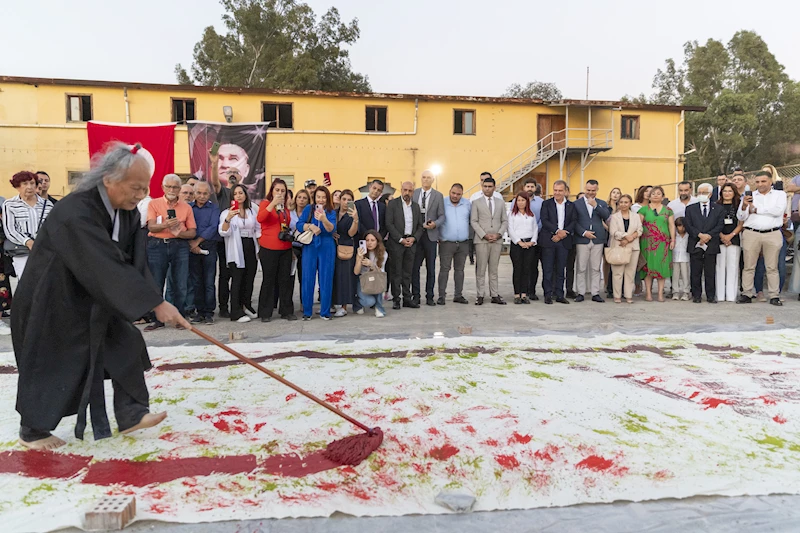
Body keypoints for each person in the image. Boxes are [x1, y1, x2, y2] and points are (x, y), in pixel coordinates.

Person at [13, 142, 189, 450]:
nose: (140, 195)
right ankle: (33, 430)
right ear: (109, 179)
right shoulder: (75, 211)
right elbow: (102, 262)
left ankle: (131, 414)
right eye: (135, 187)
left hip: (95, 295)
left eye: (144, 188)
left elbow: (132, 263)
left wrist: (151, 299)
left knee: (126, 342)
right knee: (51, 360)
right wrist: (155, 303)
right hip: (53, 299)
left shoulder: (129, 213)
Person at [144, 174, 197, 331]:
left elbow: (192, 233)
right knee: (156, 283)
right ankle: (157, 319)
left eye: (175, 187)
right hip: (157, 245)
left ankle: (179, 318)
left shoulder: (186, 208)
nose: (172, 190)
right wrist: (166, 225)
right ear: (163, 187)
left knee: (180, 284)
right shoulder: (154, 204)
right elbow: (151, 227)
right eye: (169, 186)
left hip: (179, 245)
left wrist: (178, 232)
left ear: (180, 189)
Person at [737, 171, 786, 306]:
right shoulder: (749, 196)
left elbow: (778, 211)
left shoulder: (779, 195)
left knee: (772, 267)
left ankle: (774, 295)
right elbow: (741, 217)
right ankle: (747, 293)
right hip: (752, 233)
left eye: (763, 181)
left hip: (773, 233)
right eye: (757, 182)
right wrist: (745, 206)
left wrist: (756, 209)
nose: (760, 184)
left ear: (770, 181)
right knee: (748, 266)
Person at [219, 184, 260, 322]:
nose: (238, 196)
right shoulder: (226, 213)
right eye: (235, 194)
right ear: (232, 197)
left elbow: (257, 229)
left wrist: (259, 249)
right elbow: (223, 231)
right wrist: (228, 218)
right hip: (236, 247)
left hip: (250, 245)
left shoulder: (252, 211)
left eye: (241, 193)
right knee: (237, 279)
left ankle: (246, 305)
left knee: (249, 277)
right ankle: (235, 311)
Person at [2, 171, 54, 279]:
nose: (29, 187)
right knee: (26, 282)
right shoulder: (10, 204)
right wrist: (28, 242)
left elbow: (51, 228)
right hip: (22, 251)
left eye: (32, 183)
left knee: (44, 283)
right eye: (25, 184)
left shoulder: (47, 205)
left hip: (43, 251)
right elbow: (10, 230)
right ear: (17, 186)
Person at [257, 179, 296, 322]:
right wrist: (273, 204)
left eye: (283, 191)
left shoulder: (285, 208)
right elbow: (261, 218)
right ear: (272, 191)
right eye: (277, 190)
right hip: (269, 248)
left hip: (285, 248)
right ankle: (265, 312)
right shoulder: (266, 204)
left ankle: (286, 310)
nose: (280, 193)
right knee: (268, 280)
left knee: (285, 280)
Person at [300, 186, 337, 320]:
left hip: (326, 246)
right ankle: (307, 311)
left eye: (323, 197)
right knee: (307, 278)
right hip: (310, 245)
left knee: (326, 278)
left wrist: (323, 219)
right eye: (318, 197)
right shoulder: (308, 209)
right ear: (314, 197)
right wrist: (310, 226)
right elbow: (299, 224)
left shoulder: (330, 211)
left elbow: (332, 229)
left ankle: (325, 311)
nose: (320, 200)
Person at [684, 183, 724, 303]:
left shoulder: (718, 208)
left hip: (711, 243)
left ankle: (711, 295)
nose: (701, 195)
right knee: (695, 271)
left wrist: (708, 236)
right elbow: (688, 225)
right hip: (695, 242)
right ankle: (696, 295)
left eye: (704, 193)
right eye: (699, 193)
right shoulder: (690, 208)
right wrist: (699, 235)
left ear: (710, 194)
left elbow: (720, 225)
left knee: (710, 271)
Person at [471, 176, 508, 305]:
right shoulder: (476, 202)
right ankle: (480, 295)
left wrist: (498, 234)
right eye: (485, 186)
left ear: (494, 187)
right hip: (482, 240)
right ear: (482, 187)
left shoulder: (500, 202)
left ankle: (494, 294)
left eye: (490, 186)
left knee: (494, 269)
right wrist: (484, 235)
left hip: (496, 241)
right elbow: (474, 221)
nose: (487, 189)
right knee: (480, 269)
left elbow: (504, 220)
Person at [386, 181, 423, 310]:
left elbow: (420, 226)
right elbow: (389, 224)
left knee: (408, 272)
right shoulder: (393, 204)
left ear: (413, 192)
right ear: (401, 190)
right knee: (396, 272)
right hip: (397, 243)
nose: (407, 193)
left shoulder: (416, 207)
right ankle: (396, 299)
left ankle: (407, 298)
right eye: (405, 190)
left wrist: (414, 238)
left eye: (410, 191)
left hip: (411, 243)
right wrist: (400, 239)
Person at [188, 182, 220, 325]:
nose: (202, 196)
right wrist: (192, 243)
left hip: (209, 246)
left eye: (205, 193)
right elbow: (184, 224)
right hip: (191, 246)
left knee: (208, 281)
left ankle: (209, 312)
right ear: (194, 193)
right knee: (196, 281)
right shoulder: (188, 207)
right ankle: (199, 311)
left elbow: (213, 226)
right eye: (199, 193)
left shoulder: (214, 208)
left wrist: (197, 242)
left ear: (209, 194)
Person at [574, 179, 611, 303]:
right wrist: (584, 232)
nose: (590, 193)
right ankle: (580, 292)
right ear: (585, 189)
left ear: (597, 190)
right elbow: (574, 222)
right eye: (588, 190)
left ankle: (595, 292)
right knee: (581, 267)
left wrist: (595, 206)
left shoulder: (601, 203)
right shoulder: (576, 204)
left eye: (593, 191)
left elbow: (606, 216)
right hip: (582, 239)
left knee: (596, 267)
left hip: (597, 239)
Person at [412, 170, 445, 306]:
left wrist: (435, 224)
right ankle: (416, 296)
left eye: (428, 178)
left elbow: (442, 215)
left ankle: (430, 296)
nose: (426, 180)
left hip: (431, 235)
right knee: (415, 268)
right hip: (417, 235)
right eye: (423, 177)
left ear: (433, 180)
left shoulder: (438, 196)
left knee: (431, 268)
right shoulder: (414, 194)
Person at [540, 180, 576, 304]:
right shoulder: (546, 204)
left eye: (560, 190)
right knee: (548, 269)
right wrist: (556, 231)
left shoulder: (571, 206)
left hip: (564, 241)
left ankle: (560, 294)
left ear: (565, 191)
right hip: (549, 240)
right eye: (555, 190)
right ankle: (548, 294)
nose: (557, 193)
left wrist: (562, 233)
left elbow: (573, 222)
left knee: (561, 269)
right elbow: (544, 220)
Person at [208, 148, 233, 318]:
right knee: (221, 275)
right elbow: (215, 182)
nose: (233, 175)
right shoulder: (223, 191)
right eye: (230, 172)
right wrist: (214, 163)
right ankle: (222, 307)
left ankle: (237, 304)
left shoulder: (243, 195)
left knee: (232, 273)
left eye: (236, 173)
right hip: (219, 239)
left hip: (236, 240)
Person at [638, 186, 675, 302]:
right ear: (649, 196)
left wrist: (673, 239)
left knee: (661, 267)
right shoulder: (643, 210)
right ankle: (648, 292)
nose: (655, 195)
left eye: (658, 193)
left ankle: (660, 293)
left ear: (663, 196)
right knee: (648, 267)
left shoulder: (668, 210)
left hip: (663, 243)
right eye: (653, 193)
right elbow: (638, 226)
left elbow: (671, 225)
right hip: (647, 243)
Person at [437, 183, 471, 305]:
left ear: (462, 194)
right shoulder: (442, 202)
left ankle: (458, 295)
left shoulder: (467, 204)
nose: (455, 196)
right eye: (453, 193)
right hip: (446, 243)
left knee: (460, 270)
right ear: (449, 191)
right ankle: (441, 296)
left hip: (463, 243)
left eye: (458, 194)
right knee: (444, 269)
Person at [607, 194, 643, 303]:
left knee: (630, 272)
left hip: (633, 247)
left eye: (626, 202)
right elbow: (613, 232)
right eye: (621, 202)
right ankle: (617, 295)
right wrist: (625, 236)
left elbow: (640, 230)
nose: (623, 204)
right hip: (619, 246)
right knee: (617, 273)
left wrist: (630, 238)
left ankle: (628, 295)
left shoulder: (636, 216)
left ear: (630, 203)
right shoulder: (614, 217)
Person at [507, 193, 538, 304]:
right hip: (517, 245)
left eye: (523, 200)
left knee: (527, 270)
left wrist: (532, 241)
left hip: (529, 244)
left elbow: (535, 228)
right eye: (518, 200)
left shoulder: (531, 215)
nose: (520, 202)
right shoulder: (512, 214)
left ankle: (524, 294)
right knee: (518, 269)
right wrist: (519, 242)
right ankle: (517, 294)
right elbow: (510, 230)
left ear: (527, 202)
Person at [715, 183, 743, 302]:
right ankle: (720, 295)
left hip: (734, 239)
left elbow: (741, 223)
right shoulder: (716, 206)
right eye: (725, 191)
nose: (727, 193)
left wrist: (730, 236)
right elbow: (714, 223)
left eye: (730, 191)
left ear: (734, 193)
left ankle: (731, 295)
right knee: (720, 267)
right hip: (719, 238)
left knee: (733, 267)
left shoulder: (739, 206)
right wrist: (722, 236)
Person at [333, 190, 359, 317]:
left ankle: (343, 306)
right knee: (334, 275)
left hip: (346, 247)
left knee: (344, 277)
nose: (346, 202)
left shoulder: (351, 215)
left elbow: (351, 233)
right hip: (333, 246)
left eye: (349, 200)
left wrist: (355, 220)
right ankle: (334, 303)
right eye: (344, 199)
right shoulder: (334, 212)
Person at [354, 229, 388, 318]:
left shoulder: (383, 253)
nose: (369, 243)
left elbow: (381, 273)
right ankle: (357, 303)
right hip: (363, 280)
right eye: (367, 240)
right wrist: (358, 258)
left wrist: (372, 265)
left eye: (372, 240)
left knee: (379, 282)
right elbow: (356, 272)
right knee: (369, 302)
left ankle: (379, 308)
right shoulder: (361, 251)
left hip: (376, 279)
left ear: (377, 242)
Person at [524, 180, 545, 300]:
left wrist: (534, 232)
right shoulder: (517, 201)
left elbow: (542, 218)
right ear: (524, 187)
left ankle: (532, 290)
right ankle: (523, 290)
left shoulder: (541, 202)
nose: (530, 188)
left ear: (535, 188)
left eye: (532, 186)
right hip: (522, 239)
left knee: (533, 266)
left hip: (537, 237)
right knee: (524, 266)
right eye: (528, 186)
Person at [290, 189, 311, 300]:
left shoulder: (310, 214)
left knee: (304, 277)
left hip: (306, 246)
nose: (301, 200)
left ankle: (304, 302)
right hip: (292, 246)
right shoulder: (290, 213)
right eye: (299, 197)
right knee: (290, 276)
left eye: (304, 198)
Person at [671, 218, 690, 301]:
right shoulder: (673, 235)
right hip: (675, 257)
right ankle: (675, 292)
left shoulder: (688, 235)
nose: (681, 228)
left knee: (686, 276)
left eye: (683, 226)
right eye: (679, 226)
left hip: (685, 258)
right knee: (675, 276)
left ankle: (686, 292)